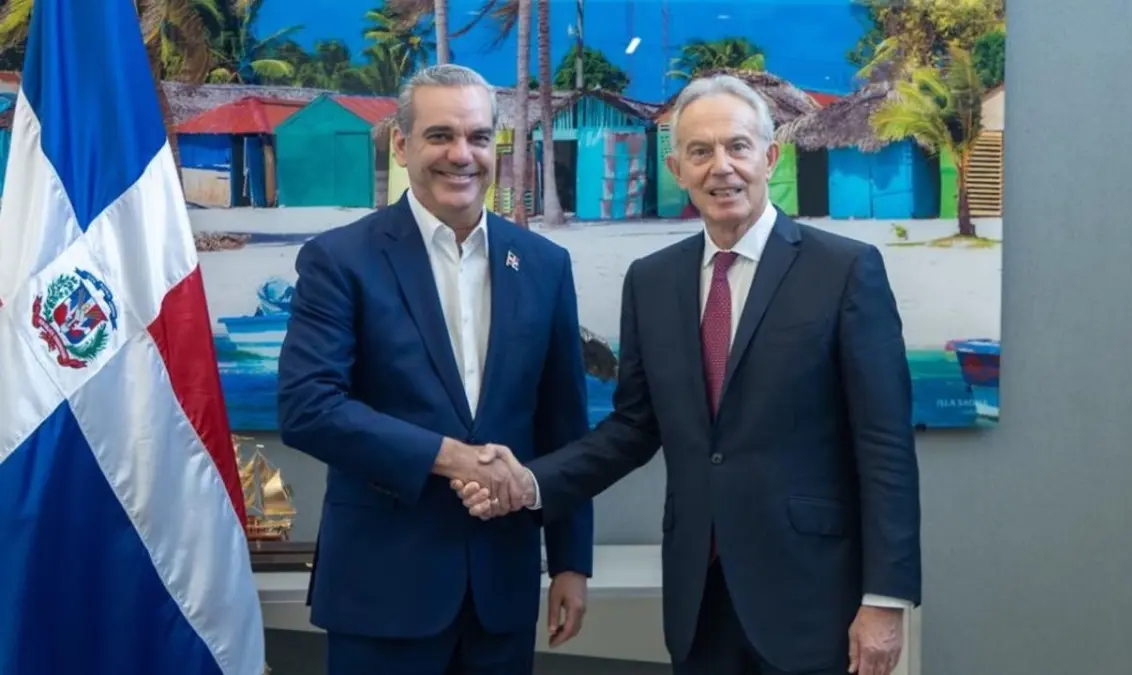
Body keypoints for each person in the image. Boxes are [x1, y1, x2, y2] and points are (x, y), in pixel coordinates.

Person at [453, 74, 922, 675]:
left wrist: (885, 598)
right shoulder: (652, 281)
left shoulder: (846, 270)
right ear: (677, 170)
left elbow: (885, 446)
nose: (721, 167)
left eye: (737, 146)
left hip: (814, 598)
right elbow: (633, 428)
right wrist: (530, 482)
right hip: (699, 598)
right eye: (700, 152)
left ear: (770, 157)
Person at [276, 63, 594, 675]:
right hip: (381, 590)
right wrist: (454, 458)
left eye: (478, 137)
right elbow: (308, 408)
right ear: (402, 145)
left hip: (502, 591)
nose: (461, 154)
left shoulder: (545, 265)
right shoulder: (339, 259)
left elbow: (564, 426)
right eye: (440, 135)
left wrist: (572, 562)